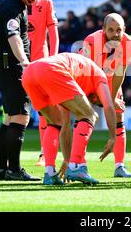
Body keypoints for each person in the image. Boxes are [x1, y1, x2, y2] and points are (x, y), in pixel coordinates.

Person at [21, 53, 117, 185]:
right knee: (90, 115)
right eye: (97, 100)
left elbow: (65, 126)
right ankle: (77, 166)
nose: (94, 101)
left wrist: (67, 159)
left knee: (54, 122)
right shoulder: (100, 76)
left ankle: (50, 173)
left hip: (29, 73)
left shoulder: (75, 81)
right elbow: (109, 105)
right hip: (50, 69)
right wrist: (113, 137)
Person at [0, 0, 43, 181]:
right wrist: (24, 61)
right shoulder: (12, 7)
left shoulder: (11, 4)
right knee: (21, 116)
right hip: (11, 68)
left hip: (4, 67)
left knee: (9, 119)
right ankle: (14, 170)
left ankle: (0, 170)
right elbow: (14, 38)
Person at [22, 0, 70, 168]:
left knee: (44, 110)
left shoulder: (47, 3)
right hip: (21, 63)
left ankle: (44, 153)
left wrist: (54, 57)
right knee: (17, 111)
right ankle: (9, 159)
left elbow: (53, 31)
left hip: (41, 63)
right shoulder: (16, 5)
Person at [80, 13, 131, 178]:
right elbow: (85, 72)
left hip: (111, 79)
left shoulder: (130, 44)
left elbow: (120, 73)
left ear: (124, 29)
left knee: (119, 116)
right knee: (84, 116)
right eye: (111, 30)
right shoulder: (91, 41)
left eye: (119, 30)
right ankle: (78, 163)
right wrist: (93, 97)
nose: (115, 34)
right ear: (103, 29)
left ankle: (120, 166)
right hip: (88, 78)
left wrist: (111, 99)